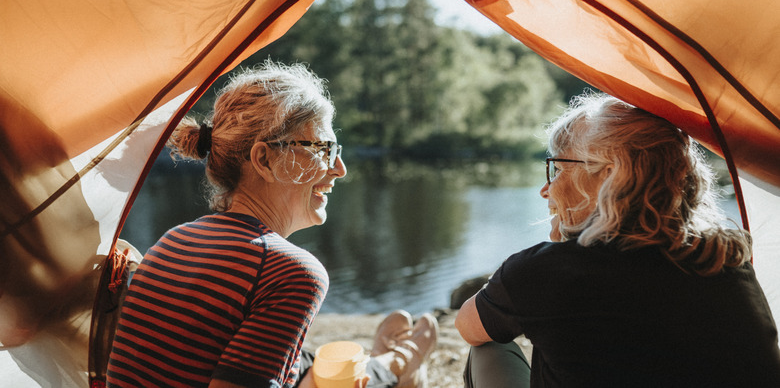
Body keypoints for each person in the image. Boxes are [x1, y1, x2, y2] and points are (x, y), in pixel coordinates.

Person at [106, 61, 437, 388]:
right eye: (323, 148)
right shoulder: (289, 272)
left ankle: (393, 363)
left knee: (302, 360)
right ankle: (400, 364)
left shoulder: (173, 240)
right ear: (265, 160)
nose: (340, 168)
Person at [455, 92, 780, 387]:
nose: (546, 189)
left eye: (556, 168)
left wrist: (552, 256)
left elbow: (468, 325)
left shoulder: (548, 272)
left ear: (611, 176)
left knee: (487, 347)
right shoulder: (726, 259)